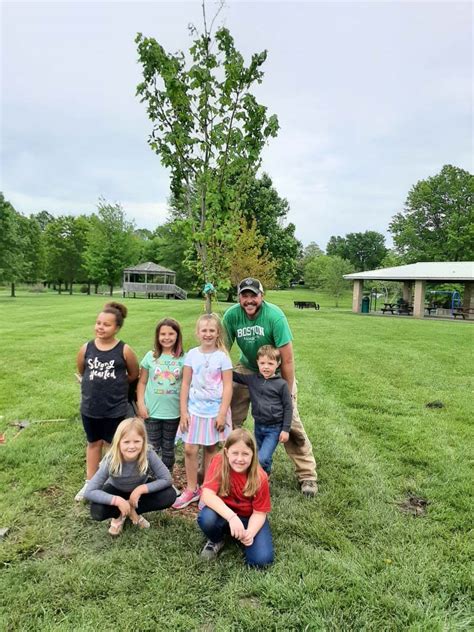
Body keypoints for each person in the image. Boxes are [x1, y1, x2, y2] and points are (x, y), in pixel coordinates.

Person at [222, 277, 318, 497]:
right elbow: (223, 351)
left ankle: (307, 476)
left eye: (253, 296)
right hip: (247, 368)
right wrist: (224, 381)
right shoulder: (232, 316)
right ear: (239, 298)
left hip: (274, 370)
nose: (248, 300)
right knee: (230, 416)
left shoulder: (274, 316)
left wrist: (288, 391)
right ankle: (233, 465)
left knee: (291, 422)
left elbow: (288, 359)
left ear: (261, 296)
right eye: (244, 296)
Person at [75, 302, 139, 501]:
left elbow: (133, 374)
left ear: (117, 328)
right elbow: (82, 371)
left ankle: (111, 482)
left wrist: (116, 385)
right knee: (93, 443)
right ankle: (90, 483)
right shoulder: (86, 348)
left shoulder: (124, 350)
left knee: (113, 446)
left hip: (115, 409)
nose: (100, 327)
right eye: (98, 323)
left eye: (106, 325)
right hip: (90, 408)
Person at [172, 313, 233, 510]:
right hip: (194, 410)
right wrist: (183, 411)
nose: (207, 334)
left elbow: (228, 387)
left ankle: (207, 489)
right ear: (198, 333)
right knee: (190, 449)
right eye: (204, 330)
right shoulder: (192, 355)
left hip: (214, 412)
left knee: (210, 449)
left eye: (211, 331)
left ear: (218, 334)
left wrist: (222, 413)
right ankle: (192, 489)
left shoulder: (222, 357)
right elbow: (186, 383)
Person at [84, 417, 176, 535]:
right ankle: (119, 514)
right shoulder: (111, 459)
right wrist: (117, 500)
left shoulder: (148, 453)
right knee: (97, 510)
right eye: (126, 442)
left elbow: (167, 478)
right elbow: (90, 491)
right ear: (118, 442)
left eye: (137, 441)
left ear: (143, 441)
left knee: (169, 495)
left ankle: (132, 509)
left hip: (139, 492)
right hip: (116, 490)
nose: (131, 446)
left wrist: (140, 489)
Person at [197, 428, 274, 568]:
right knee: (206, 518)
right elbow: (207, 495)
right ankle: (217, 539)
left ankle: (242, 535)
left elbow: (259, 512)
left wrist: (250, 532)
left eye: (245, 454)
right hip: (223, 514)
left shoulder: (260, 476)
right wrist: (232, 517)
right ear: (226, 452)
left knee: (261, 561)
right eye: (235, 453)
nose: (239, 459)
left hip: (248, 517)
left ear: (253, 455)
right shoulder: (219, 462)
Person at [232, 345, 292, 475]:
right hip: (258, 426)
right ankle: (265, 473)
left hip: (274, 429)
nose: (266, 367)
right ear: (257, 363)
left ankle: (263, 471)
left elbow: (288, 407)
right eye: (262, 363)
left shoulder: (281, 384)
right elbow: (235, 376)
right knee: (258, 452)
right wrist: (221, 367)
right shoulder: (253, 380)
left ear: (277, 364)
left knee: (262, 457)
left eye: (270, 363)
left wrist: (285, 429)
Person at [136, 318, 184, 473]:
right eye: (163, 334)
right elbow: (142, 382)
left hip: (173, 412)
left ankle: (166, 478)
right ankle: (150, 477)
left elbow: (187, 385)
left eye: (171, 333)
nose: (167, 337)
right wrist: (141, 404)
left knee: (168, 447)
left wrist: (184, 411)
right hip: (152, 411)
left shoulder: (184, 358)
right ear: (157, 336)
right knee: (152, 447)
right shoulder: (151, 357)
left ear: (178, 336)